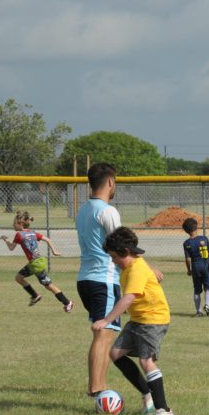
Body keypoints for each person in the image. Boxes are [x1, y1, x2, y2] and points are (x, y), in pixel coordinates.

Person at [92, 227, 175, 415]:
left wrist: (106, 320)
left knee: (147, 361)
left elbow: (128, 298)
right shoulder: (132, 264)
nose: (112, 261)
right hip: (138, 319)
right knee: (115, 354)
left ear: (125, 252)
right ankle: (148, 395)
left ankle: (164, 410)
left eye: (114, 257)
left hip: (153, 320)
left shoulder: (136, 269)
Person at [75, 162, 124, 398]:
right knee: (104, 335)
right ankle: (96, 389)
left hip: (85, 279)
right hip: (103, 280)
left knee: (104, 333)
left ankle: (101, 386)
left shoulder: (83, 210)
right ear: (110, 183)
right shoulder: (107, 211)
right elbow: (121, 244)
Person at [1, 210, 74, 312]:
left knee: (45, 284)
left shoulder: (19, 235)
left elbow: (11, 248)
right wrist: (54, 251)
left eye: (14, 223)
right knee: (23, 278)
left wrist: (6, 239)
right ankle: (39, 296)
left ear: (20, 223)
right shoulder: (32, 232)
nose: (12, 225)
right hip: (38, 262)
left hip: (35, 265)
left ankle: (65, 302)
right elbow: (47, 239)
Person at [182, 217, 209, 317]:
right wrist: (208, 257)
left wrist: (189, 270)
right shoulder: (204, 239)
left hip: (195, 267)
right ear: (197, 227)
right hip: (205, 266)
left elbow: (188, 259)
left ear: (186, 231)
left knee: (197, 290)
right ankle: (208, 305)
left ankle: (198, 311)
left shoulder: (186, 243)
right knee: (207, 288)